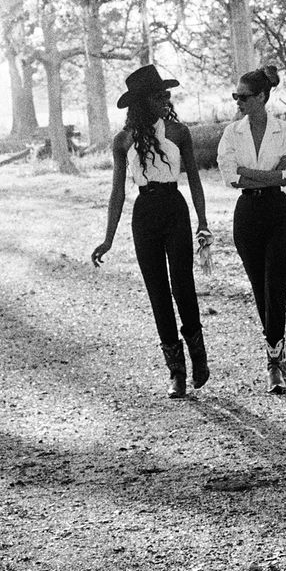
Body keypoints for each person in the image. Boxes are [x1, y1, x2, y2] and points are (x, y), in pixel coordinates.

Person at [91, 63, 212, 398]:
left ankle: (198, 354)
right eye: (159, 95)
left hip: (174, 208)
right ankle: (176, 371)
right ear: (142, 101)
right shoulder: (123, 141)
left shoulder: (178, 133)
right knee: (157, 291)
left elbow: (195, 181)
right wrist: (108, 239)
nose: (166, 98)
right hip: (143, 214)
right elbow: (117, 192)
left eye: (166, 93)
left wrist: (202, 221)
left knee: (182, 285)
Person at [217, 64, 286, 394]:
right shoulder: (231, 133)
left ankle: (274, 362)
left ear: (262, 97)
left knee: (274, 285)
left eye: (243, 96)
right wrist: (267, 175)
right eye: (235, 96)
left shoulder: (285, 130)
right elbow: (229, 175)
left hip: (278, 212)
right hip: (247, 213)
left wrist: (251, 173)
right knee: (258, 287)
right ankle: (277, 351)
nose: (237, 101)